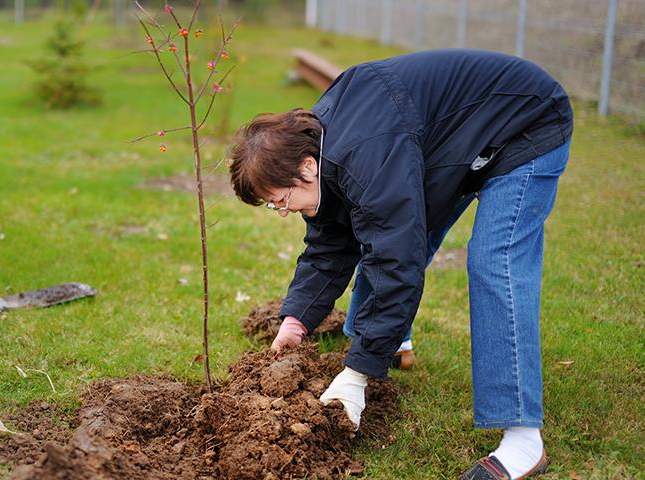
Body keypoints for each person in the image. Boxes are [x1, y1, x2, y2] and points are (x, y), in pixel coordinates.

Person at [228, 49, 572, 479]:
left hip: (523, 121)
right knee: (385, 227)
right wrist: (296, 320)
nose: (283, 211)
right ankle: (388, 345)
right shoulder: (322, 148)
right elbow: (332, 244)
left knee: (493, 262)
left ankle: (523, 440)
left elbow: (396, 259)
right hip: (452, 140)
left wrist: (356, 374)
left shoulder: (363, 154)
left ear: (307, 167)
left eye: (281, 201)